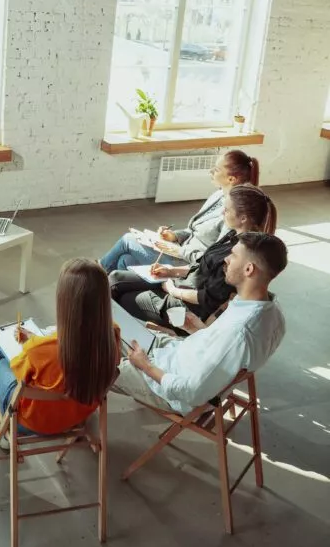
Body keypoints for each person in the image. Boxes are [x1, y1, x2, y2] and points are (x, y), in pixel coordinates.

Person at [0, 259, 120, 446]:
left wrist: (33, 344)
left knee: (0, 352)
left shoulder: (41, 350)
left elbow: (20, 375)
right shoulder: (112, 336)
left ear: (65, 302)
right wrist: (36, 340)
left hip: (31, 422)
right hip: (77, 417)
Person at [113, 232, 287, 415]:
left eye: (234, 255)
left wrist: (145, 366)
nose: (226, 259)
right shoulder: (272, 311)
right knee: (117, 327)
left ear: (249, 269)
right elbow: (224, 351)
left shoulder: (240, 332)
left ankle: (80, 416)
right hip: (178, 353)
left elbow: (192, 392)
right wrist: (198, 329)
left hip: (170, 387)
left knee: (94, 364)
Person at [110, 184, 276, 329]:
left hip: (186, 305)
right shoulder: (231, 235)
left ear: (243, 218)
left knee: (121, 296)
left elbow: (207, 298)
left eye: (227, 210)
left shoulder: (239, 254)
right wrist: (170, 271)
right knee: (116, 277)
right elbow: (200, 265)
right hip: (179, 284)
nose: (222, 213)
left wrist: (173, 291)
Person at [100, 150, 260, 271]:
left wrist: (179, 250)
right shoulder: (218, 195)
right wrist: (174, 235)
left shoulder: (234, 214)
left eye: (217, 170)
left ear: (231, 179)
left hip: (187, 264)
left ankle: (92, 274)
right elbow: (195, 230)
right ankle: (105, 297)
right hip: (179, 251)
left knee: (128, 240)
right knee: (125, 261)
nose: (211, 171)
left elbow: (214, 258)